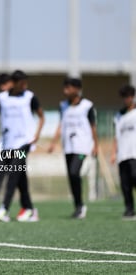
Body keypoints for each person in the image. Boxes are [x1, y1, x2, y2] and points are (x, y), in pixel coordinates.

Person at [0, 70, 44, 222]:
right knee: (16, 176)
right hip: (6, 144)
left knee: (13, 173)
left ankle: (4, 209)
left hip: (23, 143)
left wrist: (36, 135)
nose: (24, 85)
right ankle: (29, 209)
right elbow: (4, 119)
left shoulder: (29, 96)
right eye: (22, 82)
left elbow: (41, 116)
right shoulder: (2, 98)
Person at [48, 77, 98, 219]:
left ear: (77, 89)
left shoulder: (87, 106)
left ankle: (80, 205)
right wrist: (53, 142)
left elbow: (93, 127)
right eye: (65, 87)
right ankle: (79, 206)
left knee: (74, 172)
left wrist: (96, 145)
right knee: (71, 176)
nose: (65, 90)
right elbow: (61, 125)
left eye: (68, 88)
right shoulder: (63, 105)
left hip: (82, 147)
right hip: (68, 147)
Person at [110, 84, 136, 219]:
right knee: (125, 184)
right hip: (123, 154)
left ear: (132, 97)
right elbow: (116, 136)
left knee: (134, 177)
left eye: (128, 96)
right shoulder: (119, 116)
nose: (126, 99)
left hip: (134, 153)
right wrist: (113, 153)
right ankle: (129, 209)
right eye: (124, 97)